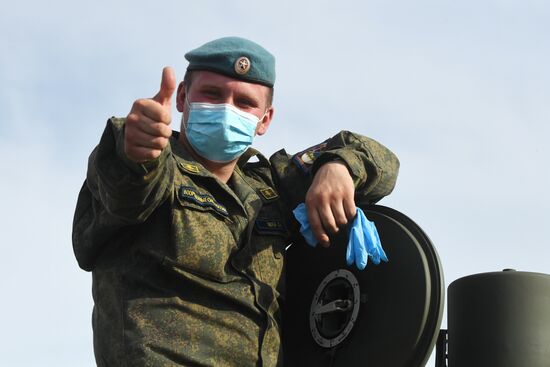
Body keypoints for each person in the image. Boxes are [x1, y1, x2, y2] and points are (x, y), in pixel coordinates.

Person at [72, 36, 399, 367]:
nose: (227, 109)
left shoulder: (268, 188)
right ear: (183, 97)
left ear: (265, 120)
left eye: (244, 103)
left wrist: (338, 166)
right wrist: (136, 153)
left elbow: (384, 164)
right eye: (212, 94)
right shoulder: (157, 166)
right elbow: (126, 190)